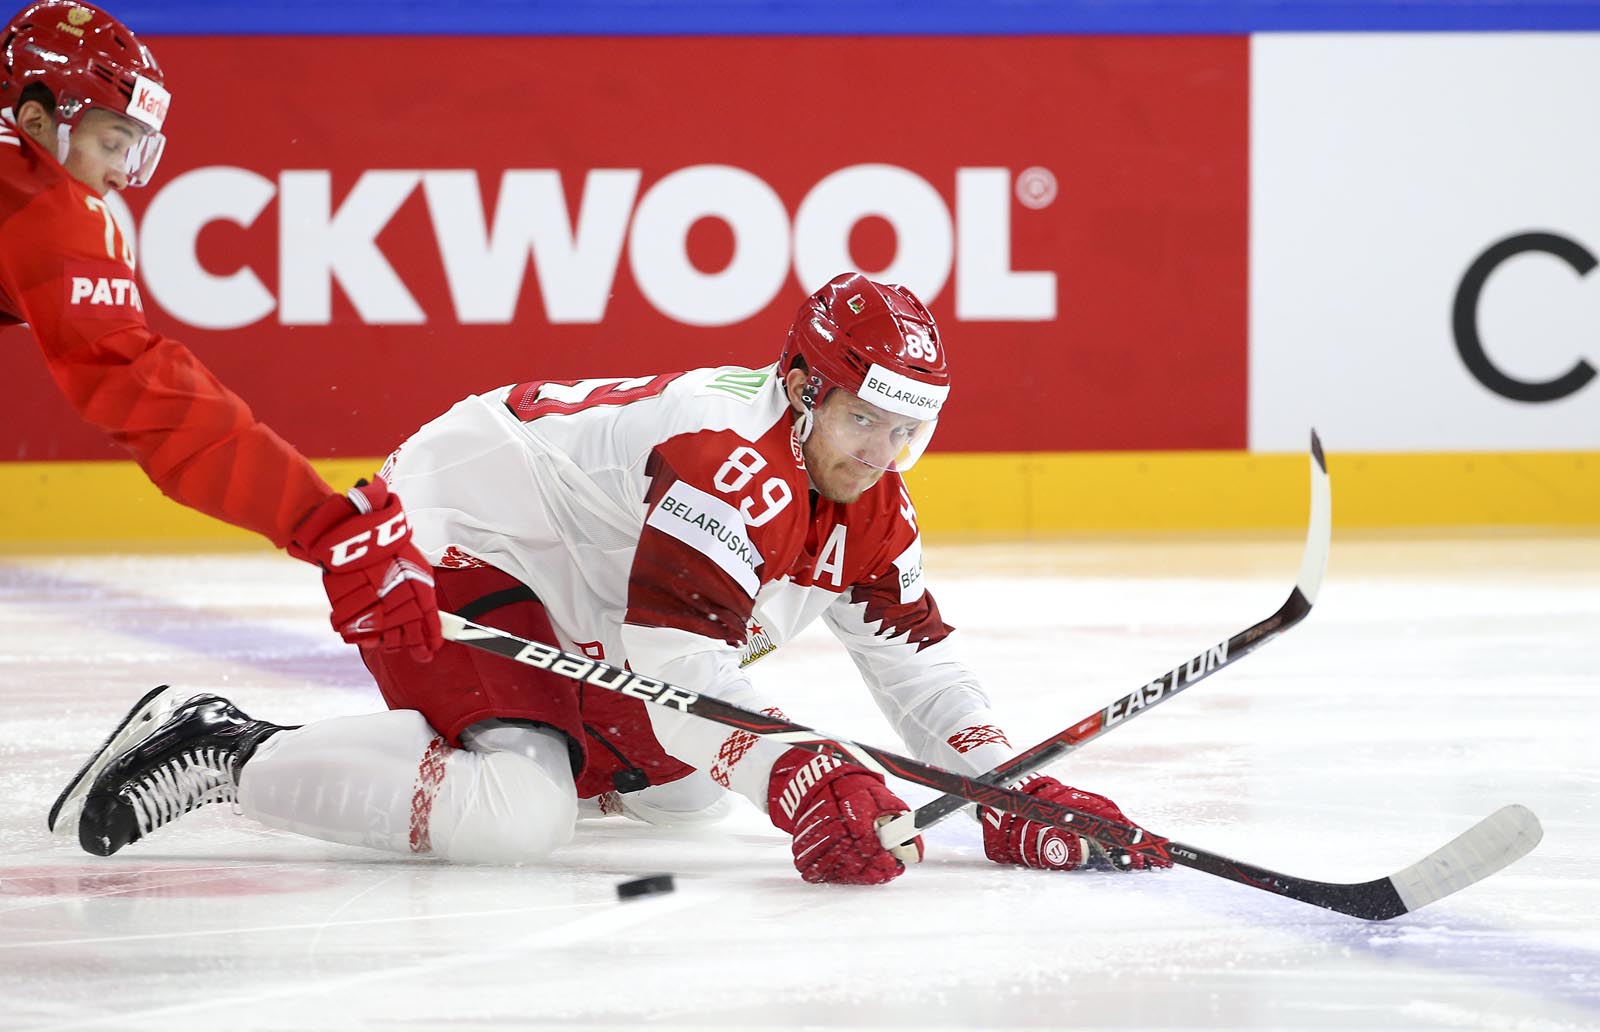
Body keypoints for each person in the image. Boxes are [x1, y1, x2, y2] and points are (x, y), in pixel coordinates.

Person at [57, 272, 1170, 884]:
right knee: (515, 815)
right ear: (799, 388)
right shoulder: (725, 455)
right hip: (468, 530)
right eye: (864, 419)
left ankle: (522, 740)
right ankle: (222, 745)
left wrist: (1005, 784)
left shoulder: (868, 501)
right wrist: (796, 773)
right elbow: (675, 663)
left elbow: (916, 661)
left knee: (687, 801)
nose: (881, 453)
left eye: (907, 431)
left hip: (585, 594)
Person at [0, 0, 441, 728]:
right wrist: (313, 515)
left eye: (131, 149)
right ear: (41, 119)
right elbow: (143, 391)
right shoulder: (45, 206)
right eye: (112, 143)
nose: (118, 174)